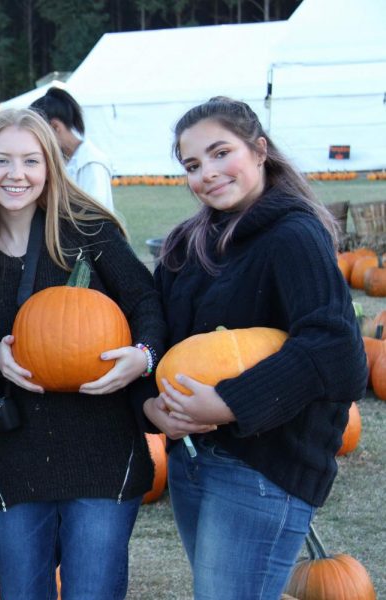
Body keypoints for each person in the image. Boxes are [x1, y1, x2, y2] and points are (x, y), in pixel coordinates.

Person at [144, 96, 368, 600]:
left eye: (222, 153)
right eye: (193, 165)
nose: (209, 173)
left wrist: (227, 403)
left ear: (260, 150)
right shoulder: (186, 245)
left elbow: (337, 350)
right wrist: (150, 405)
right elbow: (154, 333)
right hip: (192, 460)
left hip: (264, 466)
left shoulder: (295, 235)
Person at [0, 108, 166, 600]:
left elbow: (147, 302)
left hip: (101, 449)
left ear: (50, 167)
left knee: (91, 590)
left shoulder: (90, 234)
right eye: (1, 161)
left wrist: (143, 356)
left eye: (30, 161)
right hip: (15, 455)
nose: (15, 175)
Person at [30, 86, 115, 212]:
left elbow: (93, 214)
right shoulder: (61, 158)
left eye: (38, 133)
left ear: (55, 127)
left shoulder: (91, 163)